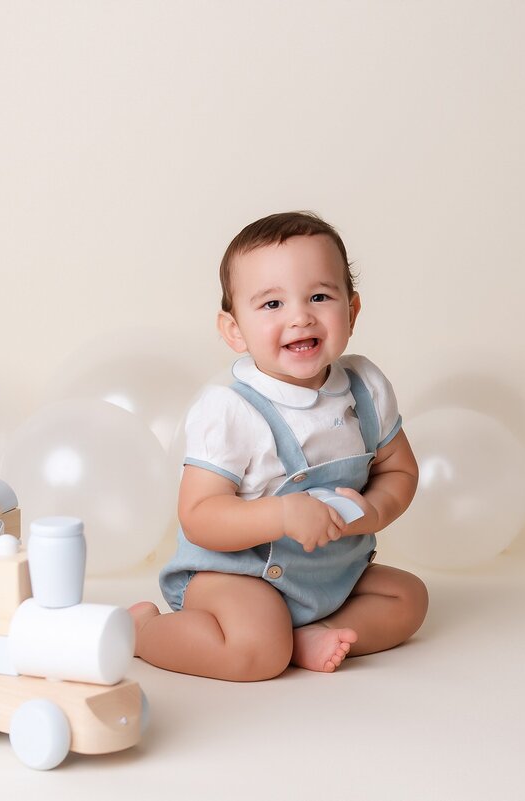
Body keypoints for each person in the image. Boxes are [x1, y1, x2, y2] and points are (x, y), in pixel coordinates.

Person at [129, 211, 428, 681]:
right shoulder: (230, 409)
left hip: (326, 573)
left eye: (319, 296)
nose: (300, 316)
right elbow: (200, 516)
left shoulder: (365, 388)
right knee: (256, 652)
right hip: (234, 575)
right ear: (234, 330)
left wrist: (374, 512)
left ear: (351, 311)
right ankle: (144, 632)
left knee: (408, 599)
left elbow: (400, 471)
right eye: (271, 304)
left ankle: (313, 632)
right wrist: (282, 515)